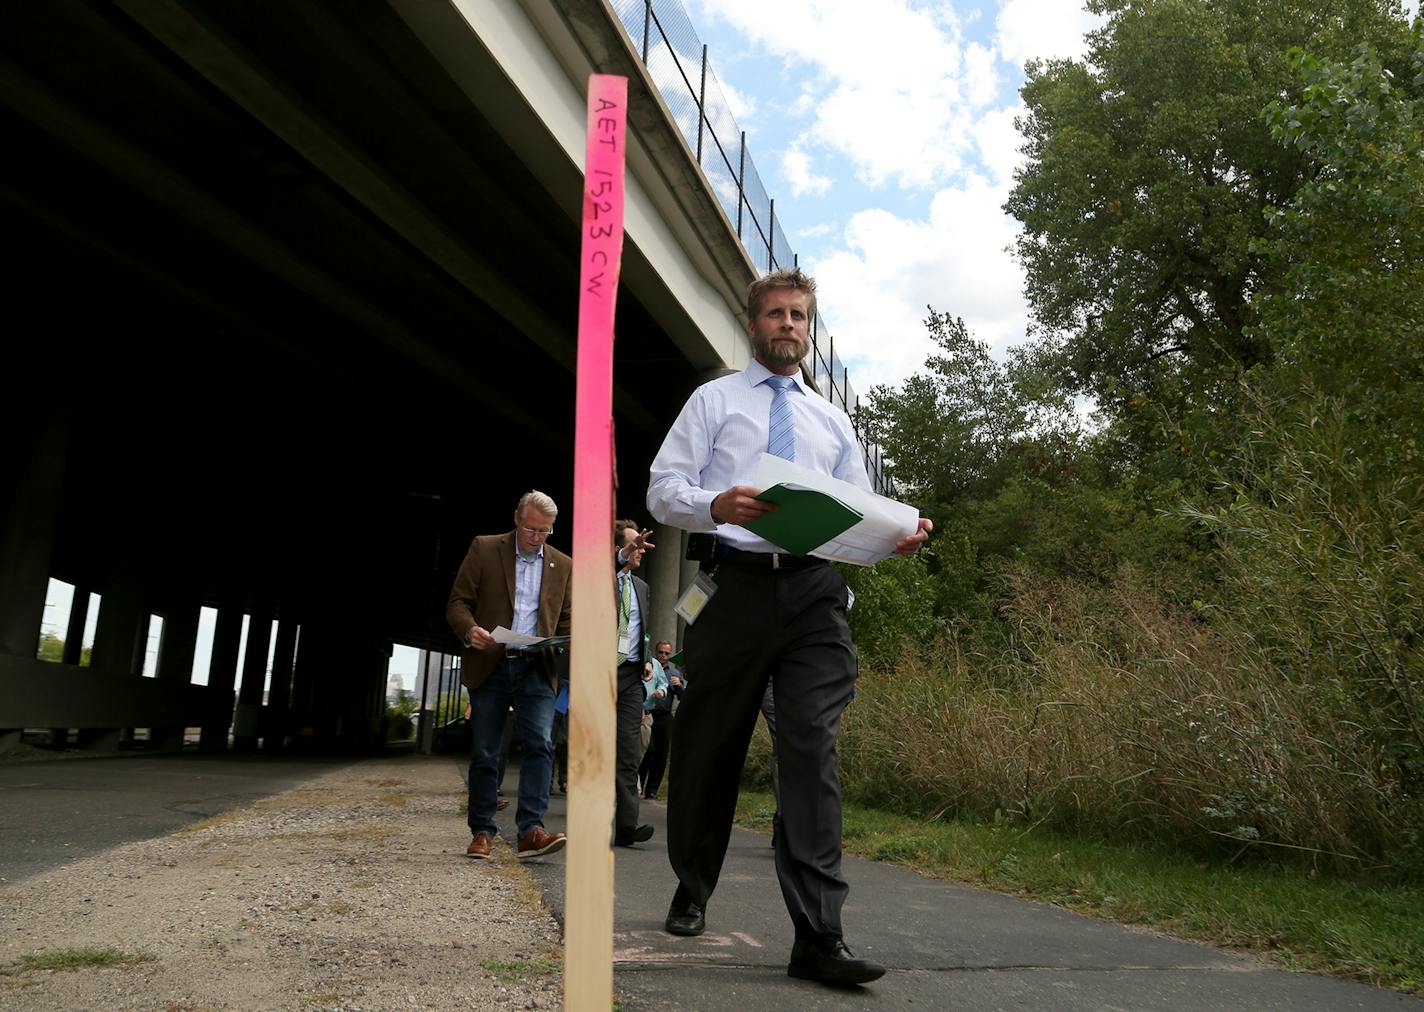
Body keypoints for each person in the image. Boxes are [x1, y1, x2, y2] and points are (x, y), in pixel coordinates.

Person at [646, 268, 931, 987]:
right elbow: (662, 491)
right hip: (728, 589)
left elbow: (859, 514)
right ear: (753, 325)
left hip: (812, 596)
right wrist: (718, 504)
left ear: (810, 328)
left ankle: (819, 934)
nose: (788, 325)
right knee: (709, 746)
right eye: (775, 314)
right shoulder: (713, 402)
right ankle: (694, 883)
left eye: (799, 316)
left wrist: (896, 534)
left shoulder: (832, 422)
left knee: (811, 745)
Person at [446, 490, 572, 862]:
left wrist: (563, 638)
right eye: (532, 529)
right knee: (486, 751)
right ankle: (482, 830)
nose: (537, 537)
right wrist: (470, 631)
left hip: (538, 666)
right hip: (492, 663)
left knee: (540, 745)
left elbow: (568, 615)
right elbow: (458, 603)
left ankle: (530, 831)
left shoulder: (562, 565)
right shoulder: (485, 549)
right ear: (517, 519)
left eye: (545, 532)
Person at [612, 519, 657, 847]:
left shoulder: (642, 588)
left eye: (640, 545)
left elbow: (640, 629)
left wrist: (643, 658)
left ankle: (627, 826)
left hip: (628, 678)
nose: (639, 549)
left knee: (628, 753)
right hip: (596, 674)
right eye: (632, 544)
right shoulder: (598, 578)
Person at [638, 641, 680, 799]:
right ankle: (639, 784)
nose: (663, 656)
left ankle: (652, 790)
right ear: (656, 652)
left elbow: (682, 696)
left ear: (670, 655)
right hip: (648, 713)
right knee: (646, 750)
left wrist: (679, 686)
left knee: (661, 754)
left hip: (665, 716)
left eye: (666, 653)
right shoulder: (649, 667)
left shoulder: (674, 673)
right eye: (661, 652)